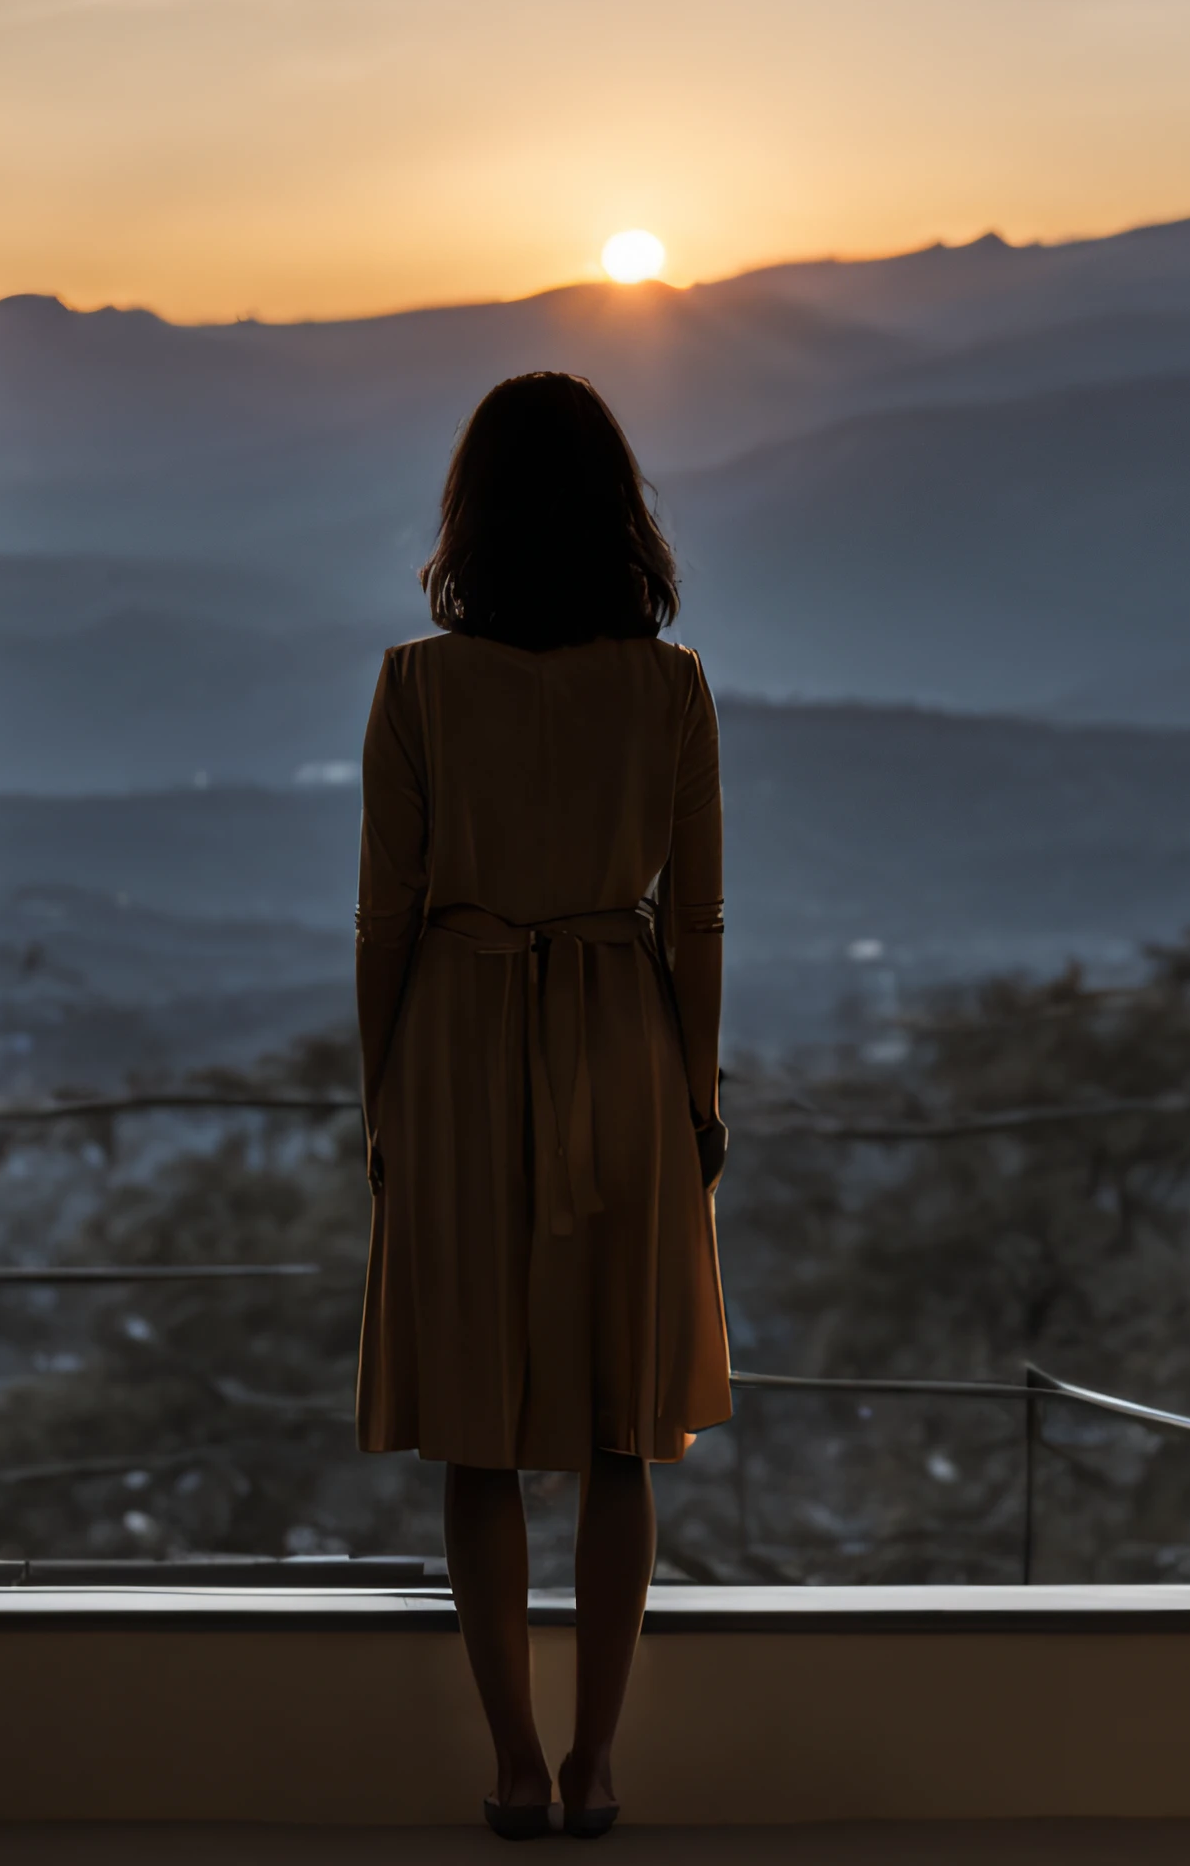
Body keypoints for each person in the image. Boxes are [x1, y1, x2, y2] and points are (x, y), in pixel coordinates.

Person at [354, 370, 732, 1840]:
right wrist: (694, 1097)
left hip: (456, 1043)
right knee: (620, 1424)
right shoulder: (669, 687)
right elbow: (695, 924)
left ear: (473, 513)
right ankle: (599, 1764)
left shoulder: (417, 685)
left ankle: (512, 1758)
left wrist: (378, 1091)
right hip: (622, 1048)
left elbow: (385, 917)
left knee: (477, 1424)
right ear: (614, 512)